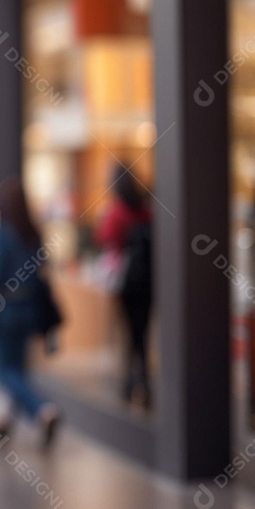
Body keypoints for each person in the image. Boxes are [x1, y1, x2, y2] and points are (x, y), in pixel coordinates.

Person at [0, 177, 61, 448]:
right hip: (29, 311)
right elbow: (40, 275)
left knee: (6, 373)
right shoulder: (32, 234)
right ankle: (3, 422)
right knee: (18, 370)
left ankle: (42, 410)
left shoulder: (0, 237)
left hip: (5, 313)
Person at [96, 163, 153, 407]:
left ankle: (130, 385)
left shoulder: (118, 211)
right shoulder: (146, 208)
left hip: (128, 283)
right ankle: (143, 384)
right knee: (141, 334)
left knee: (129, 335)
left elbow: (105, 238)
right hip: (149, 282)